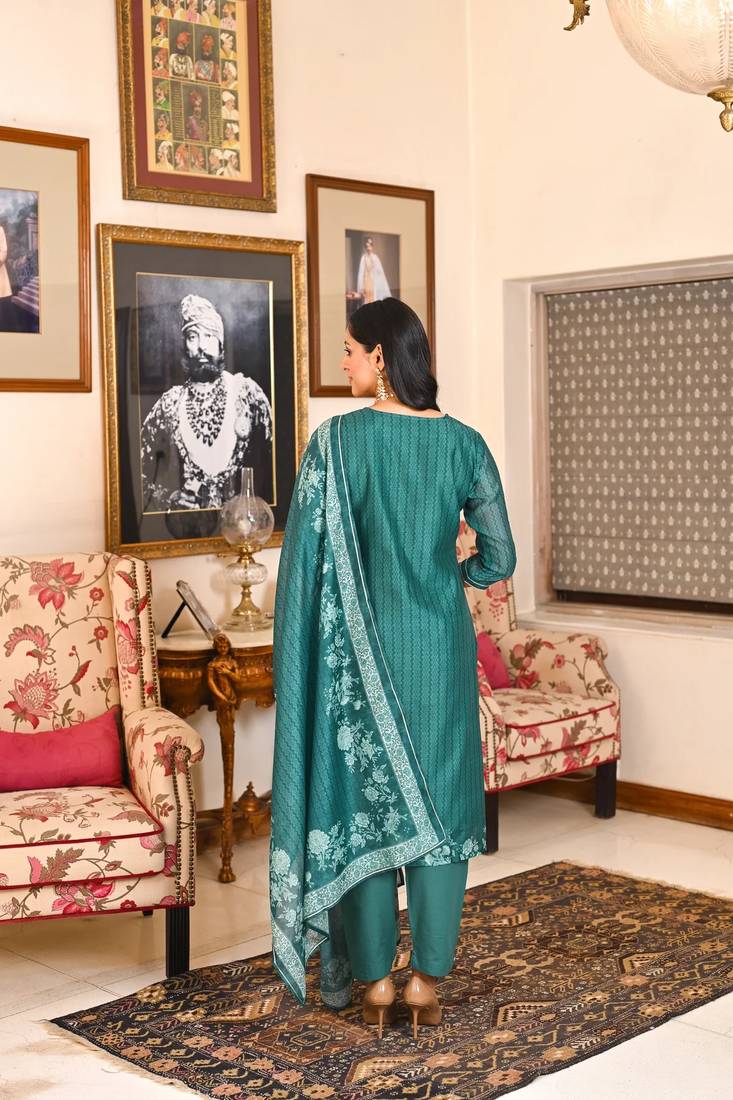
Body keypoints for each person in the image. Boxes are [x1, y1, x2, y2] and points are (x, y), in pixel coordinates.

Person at [269, 298, 516, 1031]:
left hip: (357, 660)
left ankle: (374, 984)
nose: (342, 361)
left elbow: (303, 567)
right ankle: (426, 983)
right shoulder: (465, 444)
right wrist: (453, 575)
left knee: (364, 815)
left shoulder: (336, 443)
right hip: (438, 654)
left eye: (348, 349)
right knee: (443, 814)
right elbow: (500, 555)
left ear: (380, 357)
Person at [140, 293, 273, 511]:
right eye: (193, 337)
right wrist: (169, 499)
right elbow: (140, 473)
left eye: (209, 336)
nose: (201, 346)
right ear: (185, 345)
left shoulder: (247, 394)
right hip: (189, 528)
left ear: (220, 343)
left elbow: (274, 463)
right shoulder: (170, 403)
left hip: (243, 524)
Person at [356, 235, 391, 304]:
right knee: (367, 299)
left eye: (370, 246)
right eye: (367, 246)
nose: (368, 248)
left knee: (374, 298)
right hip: (366, 281)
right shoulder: (363, 258)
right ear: (365, 247)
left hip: (373, 281)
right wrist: (361, 286)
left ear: (372, 247)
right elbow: (361, 272)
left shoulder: (375, 258)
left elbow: (380, 271)